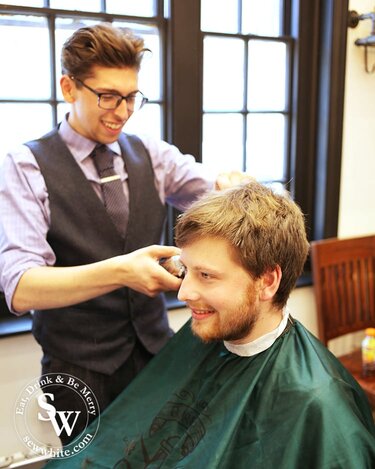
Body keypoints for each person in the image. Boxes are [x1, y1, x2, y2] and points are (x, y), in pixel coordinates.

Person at [0, 23, 247, 445]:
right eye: (108, 97)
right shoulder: (25, 166)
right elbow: (21, 287)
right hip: (78, 371)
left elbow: (214, 190)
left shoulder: (151, 153)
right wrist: (123, 271)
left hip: (157, 352)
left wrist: (235, 185)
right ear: (69, 87)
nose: (123, 111)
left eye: (132, 97)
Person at [45, 181, 375, 468]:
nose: (185, 292)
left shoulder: (317, 403)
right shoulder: (207, 337)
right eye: (185, 270)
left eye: (206, 275)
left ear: (268, 281)